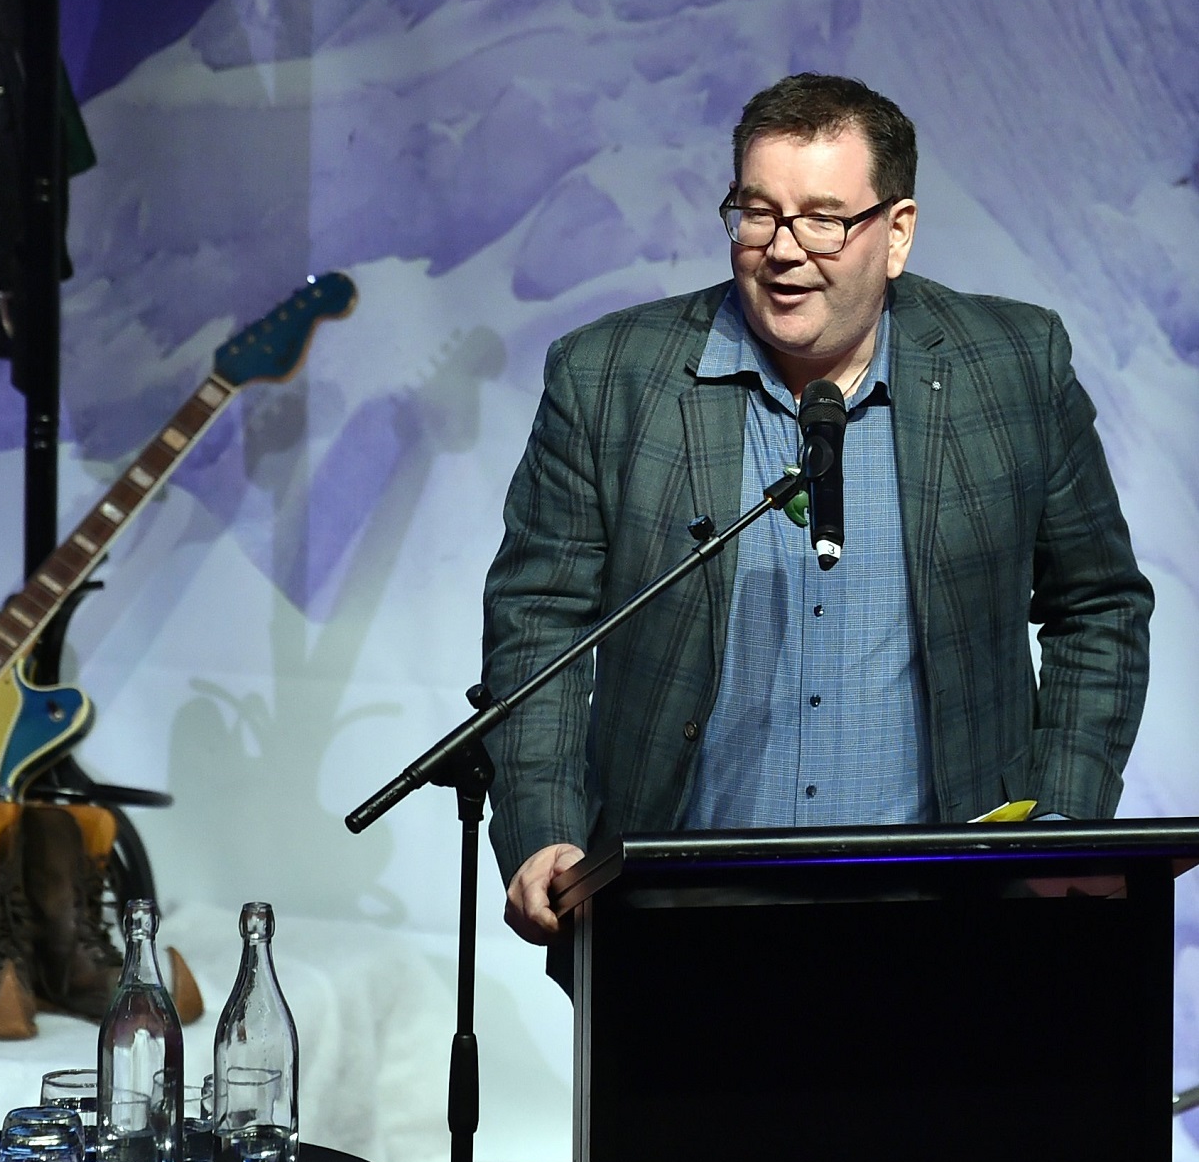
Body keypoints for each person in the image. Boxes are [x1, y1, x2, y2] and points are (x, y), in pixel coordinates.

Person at [481, 73, 1152, 948]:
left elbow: (1097, 606)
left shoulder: (1015, 366)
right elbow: (540, 622)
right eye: (757, 213)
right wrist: (542, 831)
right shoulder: (609, 379)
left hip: (959, 925)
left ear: (897, 232)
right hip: (675, 927)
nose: (783, 249)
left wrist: (1061, 819)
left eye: (823, 219)